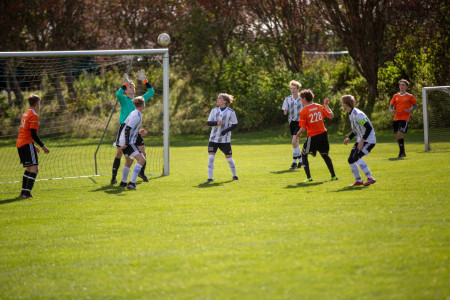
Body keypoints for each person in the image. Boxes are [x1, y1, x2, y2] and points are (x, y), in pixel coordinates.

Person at [111, 70, 154, 185]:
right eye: (129, 87)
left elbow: (151, 91)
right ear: (126, 90)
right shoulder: (124, 99)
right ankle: (114, 177)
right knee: (121, 154)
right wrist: (125, 83)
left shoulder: (138, 101)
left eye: (133, 87)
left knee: (143, 154)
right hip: (125, 130)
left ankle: (140, 173)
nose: (132, 88)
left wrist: (144, 80)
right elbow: (118, 94)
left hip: (135, 130)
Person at [295, 89, 337, 182]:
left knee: (304, 154)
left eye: (301, 99)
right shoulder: (319, 106)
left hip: (313, 136)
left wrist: (297, 135)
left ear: (305, 98)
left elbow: (302, 129)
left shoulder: (304, 111)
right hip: (323, 135)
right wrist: (326, 105)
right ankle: (333, 176)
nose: (300, 101)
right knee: (325, 155)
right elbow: (331, 116)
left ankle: (309, 177)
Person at [16, 94, 50, 198]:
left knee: (29, 169)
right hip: (26, 143)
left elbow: (25, 131)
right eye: (39, 103)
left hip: (20, 143)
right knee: (35, 169)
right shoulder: (34, 115)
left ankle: (23, 192)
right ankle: (26, 193)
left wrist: (33, 145)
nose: (40, 105)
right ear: (36, 103)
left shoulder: (26, 113)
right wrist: (43, 146)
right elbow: (33, 134)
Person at [341, 95, 377, 186]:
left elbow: (368, 127)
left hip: (369, 140)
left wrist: (362, 141)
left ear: (345, 104)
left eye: (342, 103)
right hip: (361, 139)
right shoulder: (351, 114)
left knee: (356, 157)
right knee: (351, 159)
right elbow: (356, 129)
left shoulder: (357, 114)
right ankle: (359, 181)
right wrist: (349, 137)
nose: (342, 105)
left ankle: (370, 177)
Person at [206, 93, 238, 182]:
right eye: (217, 98)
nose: (217, 100)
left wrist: (225, 131)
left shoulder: (231, 112)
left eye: (219, 99)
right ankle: (210, 178)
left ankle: (235, 176)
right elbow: (208, 123)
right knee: (211, 158)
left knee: (229, 159)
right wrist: (216, 123)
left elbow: (234, 125)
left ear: (224, 101)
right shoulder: (214, 110)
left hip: (225, 140)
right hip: (213, 139)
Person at [117, 96, 147, 190]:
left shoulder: (134, 113)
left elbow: (129, 128)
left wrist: (138, 132)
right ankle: (132, 183)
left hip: (124, 140)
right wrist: (126, 143)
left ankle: (123, 182)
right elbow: (127, 128)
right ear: (143, 104)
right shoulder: (136, 115)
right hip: (128, 142)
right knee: (142, 160)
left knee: (129, 161)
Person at [389, 79, 417, 158]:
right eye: (400, 85)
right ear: (399, 86)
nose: (402, 86)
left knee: (399, 133)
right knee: (398, 135)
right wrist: (391, 110)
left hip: (404, 118)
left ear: (406, 86)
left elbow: (415, 105)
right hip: (396, 118)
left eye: (403, 85)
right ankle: (403, 152)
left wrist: (410, 110)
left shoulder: (410, 96)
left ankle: (401, 153)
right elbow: (391, 105)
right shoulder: (395, 96)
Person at [281, 80, 303, 169]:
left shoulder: (302, 98)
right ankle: (301, 161)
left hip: (301, 122)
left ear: (298, 89)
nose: (292, 90)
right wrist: (284, 112)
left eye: (294, 88)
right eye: (291, 89)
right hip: (292, 122)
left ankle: (294, 162)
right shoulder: (287, 99)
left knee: (294, 141)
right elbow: (284, 110)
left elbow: (307, 107)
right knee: (295, 142)